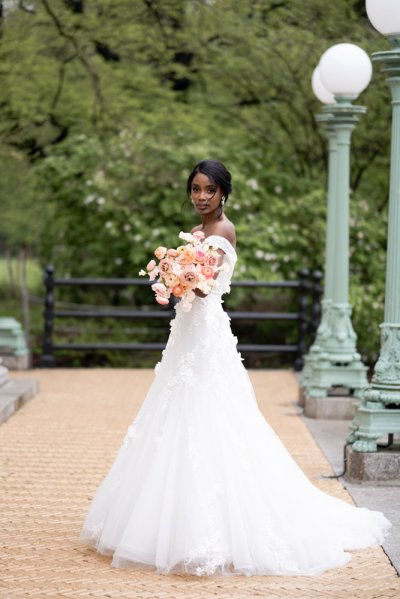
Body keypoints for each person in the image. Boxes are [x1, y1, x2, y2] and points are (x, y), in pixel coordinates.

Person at [80, 159, 391, 576]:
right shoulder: (196, 233)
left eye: (209, 190)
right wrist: (174, 275)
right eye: (195, 189)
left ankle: (220, 529)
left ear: (223, 192)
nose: (201, 197)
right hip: (188, 333)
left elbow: (209, 287)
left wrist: (183, 276)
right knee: (174, 413)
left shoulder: (222, 231)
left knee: (214, 417)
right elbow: (193, 286)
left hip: (207, 335)